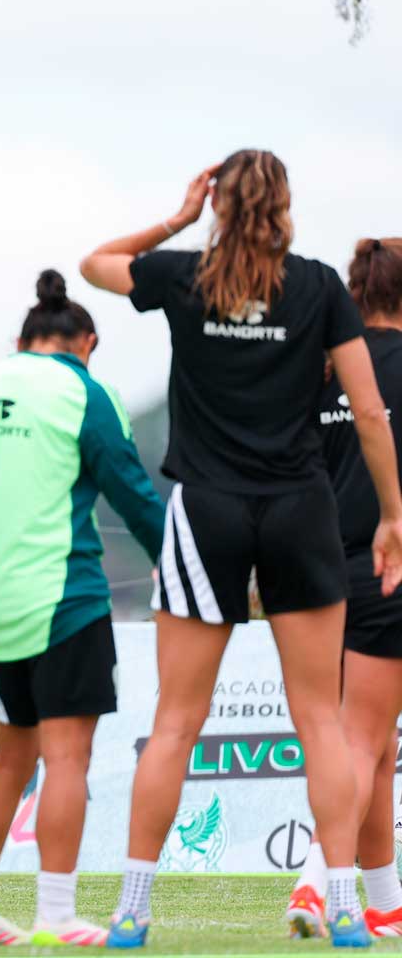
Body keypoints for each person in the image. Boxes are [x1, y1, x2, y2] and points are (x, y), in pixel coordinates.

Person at [78, 151, 402, 949]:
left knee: (177, 722)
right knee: (321, 723)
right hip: (300, 511)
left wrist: (175, 220)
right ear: (286, 206)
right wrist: (393, 513)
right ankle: (346, 907)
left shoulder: (186, 276)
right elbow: (368, 413)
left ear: (220, 205)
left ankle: (133, 910)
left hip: (207, 511)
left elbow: (95, 265)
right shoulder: (320, 285)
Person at [0, 270, 166, 948]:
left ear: (21, 341)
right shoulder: (86, 390)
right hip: (67, 600)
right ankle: (55, 917)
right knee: (66, 758)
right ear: (89, 342)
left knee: (11, 757)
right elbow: (133, 493)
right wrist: (183, 565)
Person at [284, 237, 402, 939]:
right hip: (387, 570)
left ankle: (385, 901)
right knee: (361, 741)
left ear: (356, 296)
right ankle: (314, 885)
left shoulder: (323, 371)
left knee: (371, 744)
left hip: (315, 572)